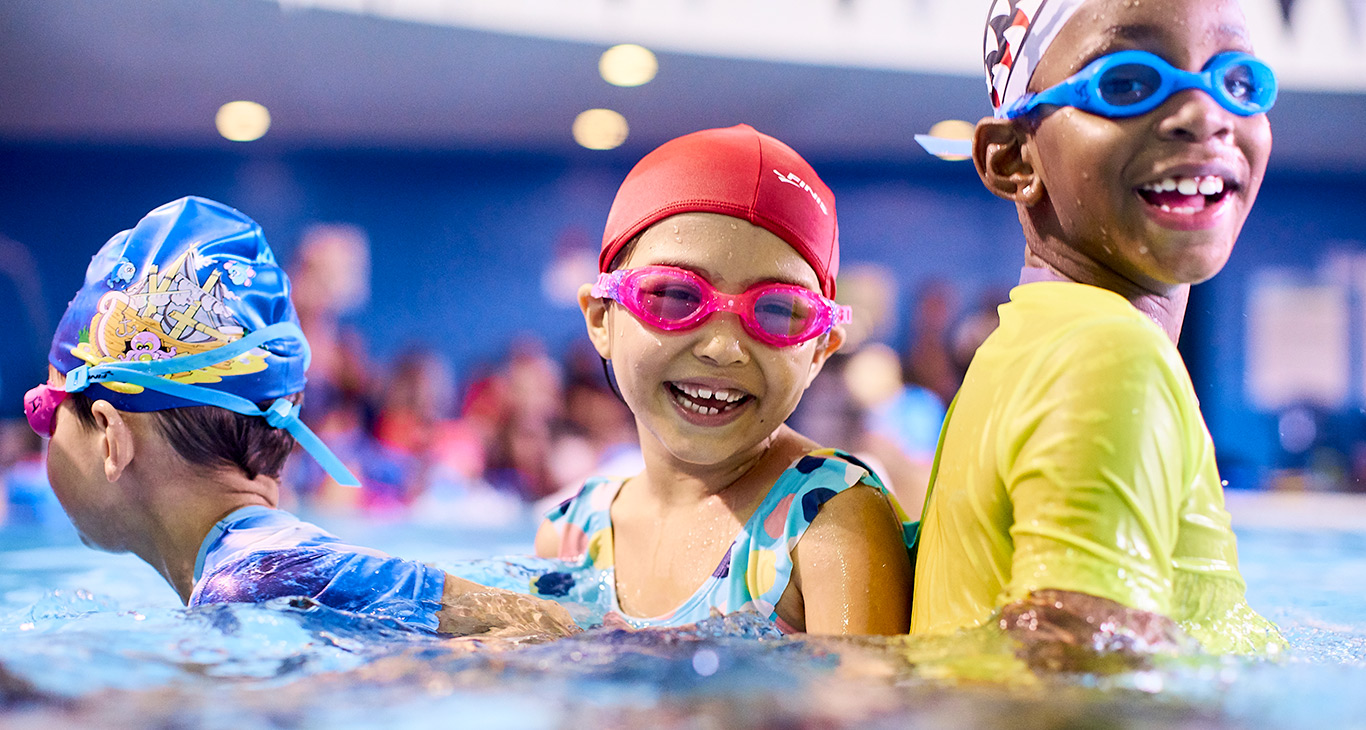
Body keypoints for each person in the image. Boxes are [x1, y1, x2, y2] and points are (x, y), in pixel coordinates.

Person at [909, 0, 1285, 662]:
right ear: (1013, 160)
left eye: (1237, 82)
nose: (1206, 114)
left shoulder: (1024, 348)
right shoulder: (1109, 356)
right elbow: (1086, 693)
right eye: (1127, 83)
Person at [25, 196, 577, 637]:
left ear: (110, 435)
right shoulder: (265, 566)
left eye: (45, 411)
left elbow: (552, 630)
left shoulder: (254, 583)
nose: (44, 432)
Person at [533, 125, 915, 635]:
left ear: (820, 349)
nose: (723, 347)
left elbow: (867, 709)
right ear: (602, 319)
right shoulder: (570, 533)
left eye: (778, 311)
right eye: (674, 295)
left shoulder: (828, 521)